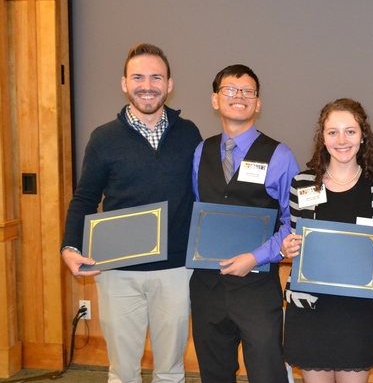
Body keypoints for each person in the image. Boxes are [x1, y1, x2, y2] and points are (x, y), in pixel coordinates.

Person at [60, 43, 202, 382]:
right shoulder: (103, 139)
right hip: (118, 271)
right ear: (124, 83)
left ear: (169, 84)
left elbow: (202, 195)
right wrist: (69, 246)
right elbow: (84, 198)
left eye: (156, 77)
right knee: (123, 371)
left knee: (171, 368)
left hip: (176, 270)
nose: (147, 85)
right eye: (137, 77)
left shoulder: (190, 134)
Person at [189, 64, 299, 383]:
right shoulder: (201, 152)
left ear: (258, 103)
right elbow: (201, 210)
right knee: (214, 373)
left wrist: (255, 257)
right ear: (215, 100)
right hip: (208, 285)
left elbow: (294, 224)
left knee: (267, 373)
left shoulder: (280, 155)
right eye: (230, 90)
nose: (239, 97)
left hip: (256, 285)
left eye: (248, 92)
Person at [280, 98, 373, 383]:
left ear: (363, 136)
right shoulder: (302, 184)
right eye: (333, 132)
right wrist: (288, 247)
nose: (341, 140)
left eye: (350, 131)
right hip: (311, 308)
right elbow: (296, 238)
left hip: (357, 310)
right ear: (322, 137)